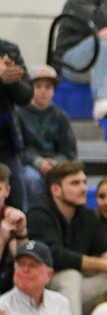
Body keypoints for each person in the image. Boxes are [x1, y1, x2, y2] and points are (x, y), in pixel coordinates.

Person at [28, 161, 107, 315]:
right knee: (70, 275)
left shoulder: (84, 215)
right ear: (56, 190)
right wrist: (100, 263)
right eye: (75, 183)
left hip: (72, 294)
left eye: (84, 182)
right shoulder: (39, 214)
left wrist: (106, 261)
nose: (84, 188)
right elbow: (53, 256)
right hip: (41, 289)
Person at [17, 66, 77, 207]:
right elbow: (18, 149)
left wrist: (54, 163)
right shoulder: (19, 115)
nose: (43, 91)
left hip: (56, 164)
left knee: (71, 179)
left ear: (53, 91)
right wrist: (38, 162)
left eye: (48, 87)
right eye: (38, 86)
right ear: (30, 88)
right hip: (29, 164)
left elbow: (70, 151)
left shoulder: (60, 116)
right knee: (31, 179)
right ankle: (32, 219)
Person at [0, 39, 32, 212]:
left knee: (18, 209)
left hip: (7, 147)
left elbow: (26, 95)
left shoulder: (8, 49)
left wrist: (13, 80)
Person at [1, 163, 30, 292]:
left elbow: (25, 266)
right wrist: (1, 239)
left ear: (7, 191)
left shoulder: (8, 216)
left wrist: (21, 233)